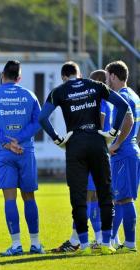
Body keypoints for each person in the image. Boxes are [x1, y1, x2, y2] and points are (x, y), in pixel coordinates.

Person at [38, 61, 129, 256]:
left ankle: (85, 245)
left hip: (75, 145)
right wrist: (113, 131)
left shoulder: (59, 91)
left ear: (64, 77)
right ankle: (106, 243)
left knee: (78, 197)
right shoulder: (95, 85)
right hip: (97, 142)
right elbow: (123, 105)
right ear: (79, 74)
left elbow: (42, 118)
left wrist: (57, 139)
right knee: (105, 194)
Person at [0, 60, 44, 256]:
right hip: (26, 151)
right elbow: (39, 122)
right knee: (29, 197)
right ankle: (35, 244)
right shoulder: (29, 95)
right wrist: (19, 139)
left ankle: (16, 244)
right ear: (19, 77)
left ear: (2, 76)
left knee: (10, 198)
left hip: (4, 153)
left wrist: (7, 142)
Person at [52, 69, 113, 253]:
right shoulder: (103, 99)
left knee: (85, 197)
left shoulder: (99, 102)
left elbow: (101, 123)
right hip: (100, 149)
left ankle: (90, 240)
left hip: (89, 148)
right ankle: (91, 239)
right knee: (95, 196)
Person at [105, 60, 139, 253]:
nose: (107, 80)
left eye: (108, 76)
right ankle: (110, 239)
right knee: (120, 199)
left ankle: (130, 243)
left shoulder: (122, 97)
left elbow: (129, 119)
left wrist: (117, 144)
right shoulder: (134, 95)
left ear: (113, 76)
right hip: (131, 150)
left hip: (123, 153)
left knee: (125, 199)